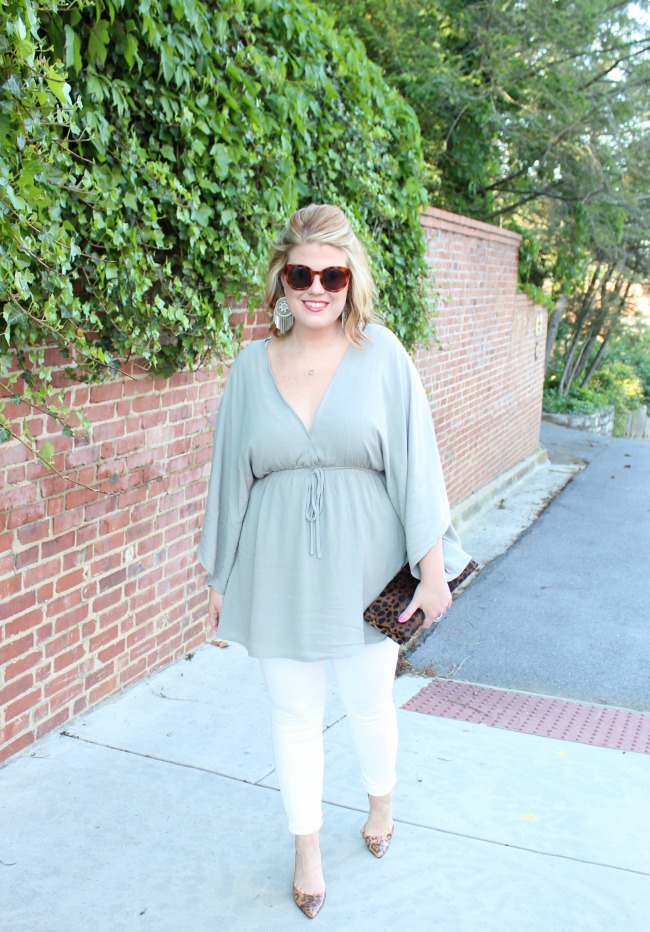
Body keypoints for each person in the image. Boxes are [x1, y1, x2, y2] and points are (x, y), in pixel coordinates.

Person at [197, 204, 471, 919]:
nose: (316, 288)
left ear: (352, 279)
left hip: (367, 566)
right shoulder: (249, 368)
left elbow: (416, 466)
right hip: (276, 570)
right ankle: (307, 848)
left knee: (368, 701)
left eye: (332, 275)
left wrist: (432, 570)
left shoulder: (383, 355)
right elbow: (229, 479)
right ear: (280, 280)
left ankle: (381, 803)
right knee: (293, 715)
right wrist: (219, 577)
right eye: (301, 274)